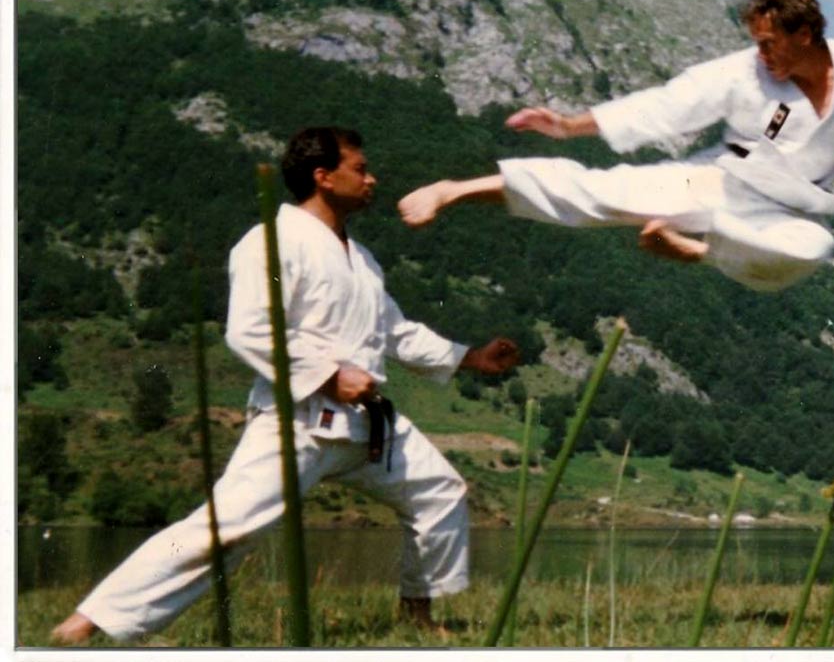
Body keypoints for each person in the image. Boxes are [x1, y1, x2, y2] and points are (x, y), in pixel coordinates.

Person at [52, 127, 520, 645]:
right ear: (323, 176)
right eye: (360, 169)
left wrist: (469, 358)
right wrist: (327, 375)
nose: (372, 178)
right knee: (224, 529)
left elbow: (394, 331)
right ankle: (88, 623)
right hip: (297, 422)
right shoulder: (269, 242)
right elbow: (249, 329)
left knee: (440, 493)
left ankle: (418, 618)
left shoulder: (360, 258)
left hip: (367, 427)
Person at [399, 0, 834, 292]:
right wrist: (572, 125)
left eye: (769, 42)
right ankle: (456, 189)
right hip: (721, 178)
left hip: (788, 204)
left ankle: (694, 251)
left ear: (805, 35)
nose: (761, 53)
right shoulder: (741, 74)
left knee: (812, 249)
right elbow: (667, 106)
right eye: (755, 42)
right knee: (603, 193)